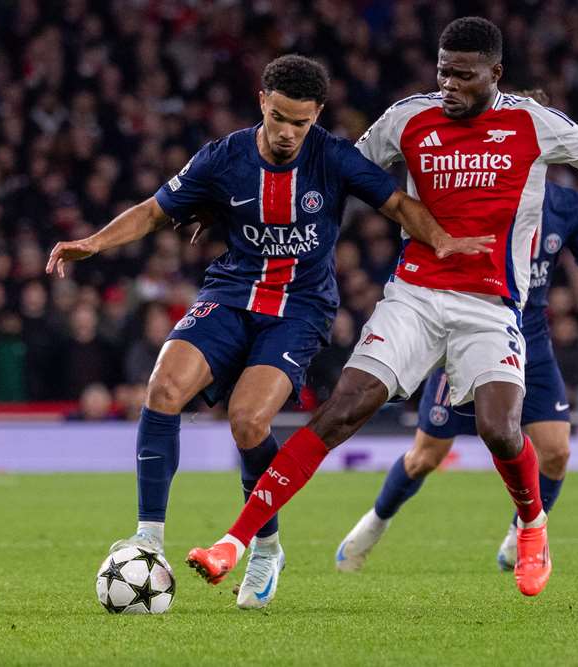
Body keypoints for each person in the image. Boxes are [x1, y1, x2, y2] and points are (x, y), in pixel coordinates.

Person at [187, 17, 578, 598]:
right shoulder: (408, 117)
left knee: (500, 429)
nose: (449, 84)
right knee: (341, 410)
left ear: (495, 73)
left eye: (463, 75)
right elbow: (332, 173)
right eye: (443, 72)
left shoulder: (534, 123)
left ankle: (532, 525)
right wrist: (231, 203)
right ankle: (235, 542)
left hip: (491, 304)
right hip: (415, 295)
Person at [45, 55, 490, 610]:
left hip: (300, 309)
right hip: (231, 293)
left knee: (249, 420)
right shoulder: (224, 156)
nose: (286, 133)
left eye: (299, 122)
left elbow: (397, 202)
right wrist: (93, 243)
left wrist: (442, 239)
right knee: (162, 388)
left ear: (317, 115)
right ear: (262, 101)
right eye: (278, 117)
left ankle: (266, 546)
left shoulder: (332, 157)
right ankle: (148, 539)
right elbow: (155, 210)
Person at [334, 144, 578, 574]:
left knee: (556, 452)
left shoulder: (566, 205)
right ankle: (374, 524)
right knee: (425, 457)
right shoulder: (479, 192)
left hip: (531, 342)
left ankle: (519, 536)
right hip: (468, 336)